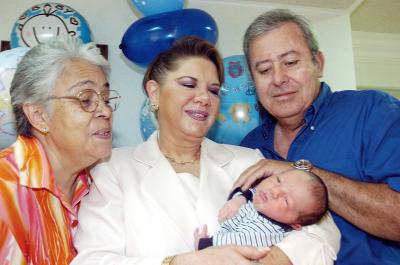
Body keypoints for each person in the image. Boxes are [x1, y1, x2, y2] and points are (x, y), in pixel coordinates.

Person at [72, 36, 339, 265]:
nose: (203, 98)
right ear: (154, 93)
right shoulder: (112, 168)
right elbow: (93, 259)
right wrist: (181, 262)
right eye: (188, 84)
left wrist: (271, 260)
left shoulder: (248, 161)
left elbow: (323, 229)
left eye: (213, 90)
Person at [235, 8, 400, 265]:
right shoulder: (248, 148)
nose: (278, 78)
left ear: (318, 63)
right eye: (265, 70)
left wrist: (302, 171)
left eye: (290, 63)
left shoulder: (372, 111)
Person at [0, 36, 120, 264]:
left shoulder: (102, 183)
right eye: (85, 100)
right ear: (38, 116)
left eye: (105, 98)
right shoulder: (5, 190)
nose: (105, 111)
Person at [195, 169, 328, 250]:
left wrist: (204, 244)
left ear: (295, 225)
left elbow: (232, 245)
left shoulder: (264, 231)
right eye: (278, 180)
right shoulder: (266, 206)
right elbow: (253, 192)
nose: (274, 191)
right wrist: (241, 199)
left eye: (286, 200)